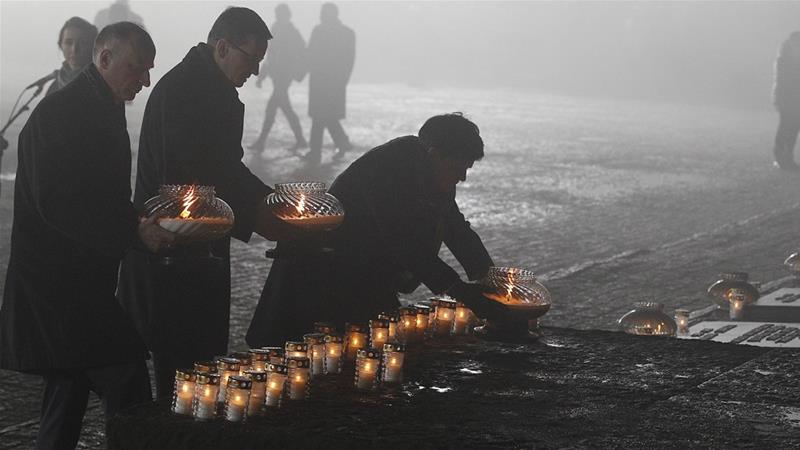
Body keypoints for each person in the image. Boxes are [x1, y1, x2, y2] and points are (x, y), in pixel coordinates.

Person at [0, 22, 174, 450]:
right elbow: (61, 204)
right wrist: (135, 232)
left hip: (75, 289)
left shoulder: (101, 108)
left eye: (148, 71)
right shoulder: (61, 114)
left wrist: (141, 220)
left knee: (68, 391)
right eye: (137, 68)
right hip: (58, 291)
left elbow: (103, 197)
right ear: (105, 58)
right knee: (127, 380)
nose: (145, 81)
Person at [118, 7, 294, 399]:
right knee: (182, 374)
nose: (255, 71)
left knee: (198, 368)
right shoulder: (185, 92)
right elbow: (201, 179)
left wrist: (271, 200)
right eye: (252, 59)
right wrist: (264, 213)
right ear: (222, 47)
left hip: (199, 251)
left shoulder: (210, 89)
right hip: (174, 254)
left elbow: (226, 169)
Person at [247, 113, 507, 346]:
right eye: (457, 167)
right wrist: (459, 290)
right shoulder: (389, 169)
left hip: (367, 274)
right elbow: (402, 241)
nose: (462, 177)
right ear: (434, 153)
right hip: (327, 275)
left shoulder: (434, 174)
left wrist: (491, 279)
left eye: (466, 168)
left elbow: (455, 228)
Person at [250, 3, 307, 153]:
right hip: (278, 75)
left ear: (286, 16)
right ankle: (300, 140)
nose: (279, 17)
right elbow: (270, 56)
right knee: (285, 108)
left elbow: (303, 52)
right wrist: (262, 75)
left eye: (281, 14)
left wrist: (297, 71)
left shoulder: (292, 32)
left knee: (272, 108)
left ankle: (262, 141)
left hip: (285, 76)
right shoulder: (275, 30)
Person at [305, 2, 355, 165]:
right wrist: (343, 80)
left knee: (320, 117)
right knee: (326, 116)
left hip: (321, 81)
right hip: (335, 82)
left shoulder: (318, 31)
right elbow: (349, 60)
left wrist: (300, 72)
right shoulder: (347, 33)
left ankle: (317, 151)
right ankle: (340, 143)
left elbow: (310, 55)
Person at [45, 17, 98, 96]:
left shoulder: (100, 83)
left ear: (93, 45)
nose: (74, 49)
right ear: (60, 45)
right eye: (68, 42)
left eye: (82, 42)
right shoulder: (55, 86)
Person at [772, 31, 800, 171]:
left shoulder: (787, 55)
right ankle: (781, 157)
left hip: (792, 97)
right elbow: (789, 78)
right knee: (787, 127)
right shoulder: (787, 58)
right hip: (788, 96)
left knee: (792, 127)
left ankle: (786, 157)